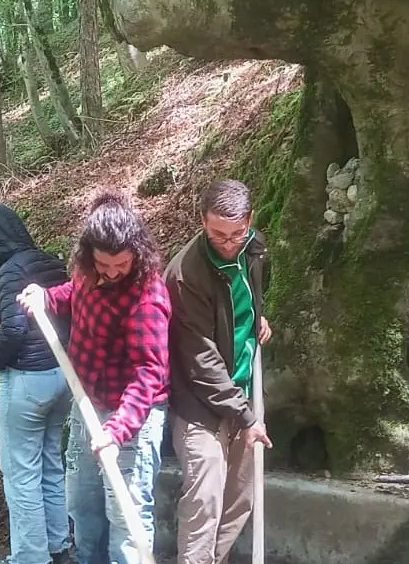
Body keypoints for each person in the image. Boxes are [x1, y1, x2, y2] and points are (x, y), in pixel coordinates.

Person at [19, 191, 171, 564]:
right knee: (83, 507)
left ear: (137, 250)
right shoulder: (89, 271)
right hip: (87, 404)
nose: (114, 272)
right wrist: (47, 298)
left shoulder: (146, 298)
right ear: (89, 255)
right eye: (105, 264)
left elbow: (150, 373)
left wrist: (117, 431)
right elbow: (76, 294)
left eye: (122, 263)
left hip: (132, 417)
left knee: (126, 516)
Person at [164, 180, 274, 564]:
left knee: (240, 499)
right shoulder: (185, 274)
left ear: (249, 221)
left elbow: (250, 295)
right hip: (200, 404)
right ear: (202, 222)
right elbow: (200, 359)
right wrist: (246, 418)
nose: (227, 243)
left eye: (235, 234)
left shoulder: (254, 248)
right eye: (217, 235)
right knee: (205, 501)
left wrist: (259, 317)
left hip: (242, 389)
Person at [0, 204, 75, 564]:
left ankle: (30, 556)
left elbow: (13, 328)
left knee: (20, 471)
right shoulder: (50, 261)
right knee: (50, 462)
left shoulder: (11, 273)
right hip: (62, 374)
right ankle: (58, 545)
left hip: (27, 381)